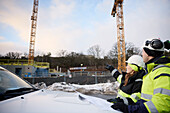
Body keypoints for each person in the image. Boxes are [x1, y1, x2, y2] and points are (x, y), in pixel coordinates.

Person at [111, 38, 170, 113]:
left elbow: (162, 105)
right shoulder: (151, 71)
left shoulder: (162, 71)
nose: (142, 54)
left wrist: (129, 109)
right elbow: (145, 100)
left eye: (143, 51)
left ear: (148, 53)